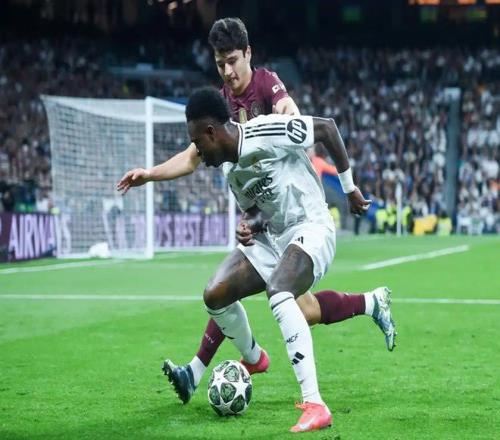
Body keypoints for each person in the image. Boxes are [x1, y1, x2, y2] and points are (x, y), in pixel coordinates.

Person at [116, 17, 396, 408]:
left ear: (248, 54)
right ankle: (366, 304)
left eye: (232, 61)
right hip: (270, 219)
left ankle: (287, 385)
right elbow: (194, 156)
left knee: (294, 303)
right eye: (220, 64)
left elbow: (294, 116)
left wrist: (300, 141)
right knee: (268, 301)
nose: (227, 71)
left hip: (300, 211)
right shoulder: (218, 111)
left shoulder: (266, 86)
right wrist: (150, 174)